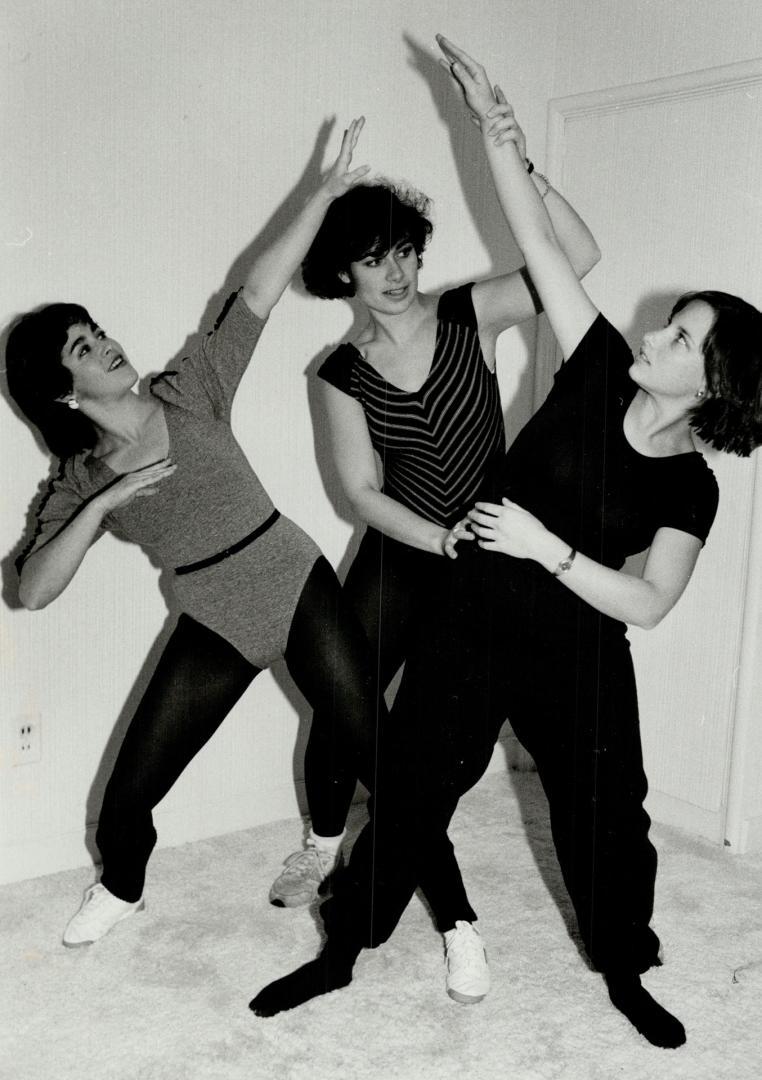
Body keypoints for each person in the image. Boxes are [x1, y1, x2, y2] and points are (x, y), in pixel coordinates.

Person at [250, 38, 762, 1050]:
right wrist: (501, 134)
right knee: (410, 789)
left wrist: (549, 549)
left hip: (578, 643)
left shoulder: (690, 484)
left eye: (683, 336)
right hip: (475, 616)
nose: (656, 332)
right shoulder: (598, 368)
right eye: (669, 324)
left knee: (611, 810)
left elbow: (649, 602)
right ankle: (339, 949)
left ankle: (626, 968)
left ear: (713, 384)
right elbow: (542, 241)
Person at [7, 119, 387, 949]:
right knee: (128, 793)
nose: (106, 343)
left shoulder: (190, 387)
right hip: (215, 612)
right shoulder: (79, 479)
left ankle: (438, 907)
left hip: (287, 574)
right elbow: (29, 590)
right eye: (84, 346)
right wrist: (105, 506)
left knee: (375, 755)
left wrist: (321, 194)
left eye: (98, 330)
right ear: (62, 390)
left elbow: (255, 290)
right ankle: (122, 886)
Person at [269, 60, 600, 978]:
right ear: (342, 270)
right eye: (375, 259)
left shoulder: (466, 313)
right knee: (344, 704)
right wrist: (434, 537)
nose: (398, 272)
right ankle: (322, 833)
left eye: (406, 250)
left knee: (431, 736)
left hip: (496, 547)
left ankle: (421, 873)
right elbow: (360, 492)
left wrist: (519, 161)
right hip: (405, 547)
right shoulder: (339, 373)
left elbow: (574, 260)